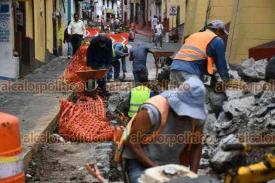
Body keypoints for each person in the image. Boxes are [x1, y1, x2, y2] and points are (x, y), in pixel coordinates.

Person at [122, 77, 207, 183]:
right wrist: (157, 170)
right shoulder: (152, 111)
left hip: (171, 165)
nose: (188, 116)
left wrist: (193, 176)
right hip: (140, 161)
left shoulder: (198, 117)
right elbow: (132, 141)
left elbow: (196, 146)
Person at [170, 19, 230, 85]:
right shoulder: (217, 40)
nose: (221, 36)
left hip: (174, 68)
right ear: (218, 30)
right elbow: (221, 63)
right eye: (221, 34)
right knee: (195, 93)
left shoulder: (194, 35)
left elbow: (196, 57)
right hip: (189, 71)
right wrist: (226, 80)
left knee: (177, 93)